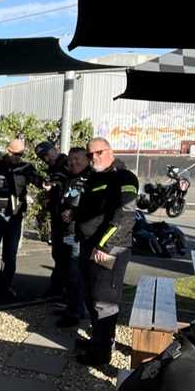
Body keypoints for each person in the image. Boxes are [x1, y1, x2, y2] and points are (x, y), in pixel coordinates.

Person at [72, 137, 139, 365]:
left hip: (109, 250)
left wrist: (105, 246)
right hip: (89, 247)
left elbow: (125, 215)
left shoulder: (123, 177)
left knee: (104, 301)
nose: (94, 158)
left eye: (98, 153)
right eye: (90, 155)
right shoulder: (94, 177)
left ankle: (101, 354)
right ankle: (97, 341)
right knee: (91, 297)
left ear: (110, 151)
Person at [0, 139, 43, 300]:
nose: (18, 158)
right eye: (15, 154)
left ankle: (5, 286)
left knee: (10, 255)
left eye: (21, 154)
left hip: (14, 216)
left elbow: (38, 181)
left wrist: (45, 184)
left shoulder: (25, 167)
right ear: (8, 151)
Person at [53, 147, 90, 328]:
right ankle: (73, 308)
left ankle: (74, 313)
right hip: (66, 232)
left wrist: (75, 213)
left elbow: (94, 206)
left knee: (75, 276)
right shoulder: (69, 178)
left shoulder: (90, 179)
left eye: (78, 159)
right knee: (68, 274)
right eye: (71, 160)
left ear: (87, 160)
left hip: (78, 235)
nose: (73, 163)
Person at [35, 141, 69, 298]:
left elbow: (68, 182)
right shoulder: (51, 168)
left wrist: (54, 184)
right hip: (56, 216)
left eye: (47, 154)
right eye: (43, 157)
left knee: (67, 255)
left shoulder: (67, 163)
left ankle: (62, 289)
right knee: (58, 254)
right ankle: (58, 288)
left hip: (68, 217)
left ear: (54, 150)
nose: (46, 158)